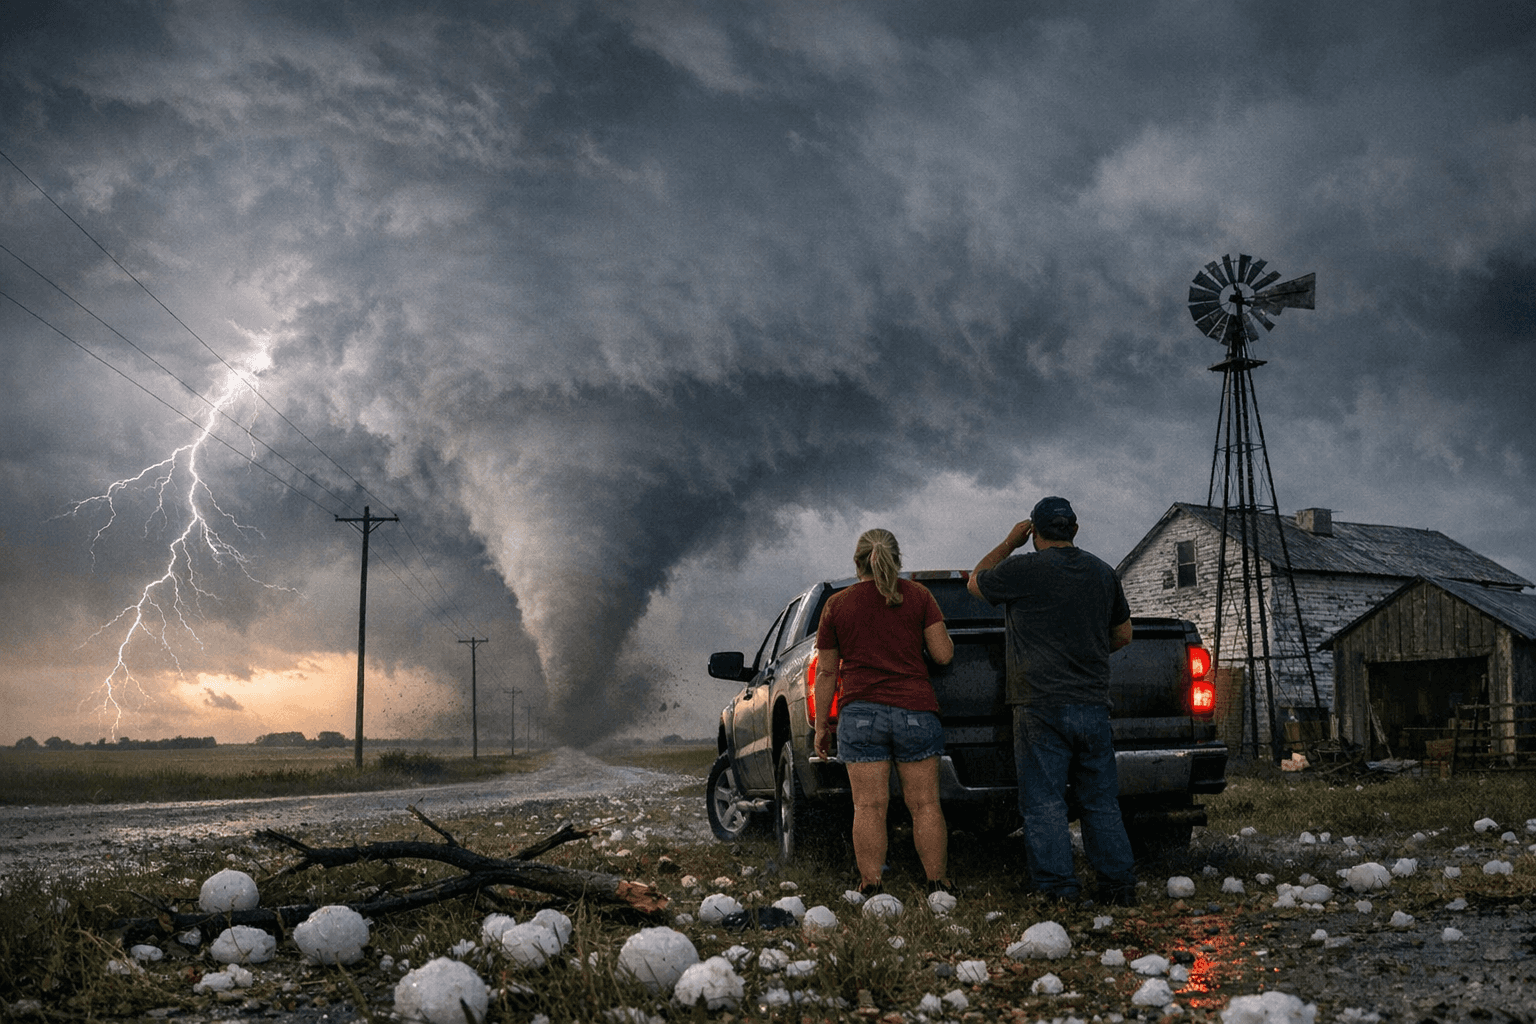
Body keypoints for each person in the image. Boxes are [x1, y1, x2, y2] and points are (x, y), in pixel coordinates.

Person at [966, 496, 1138, 906]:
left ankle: (1058, 890)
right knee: (1099, 800)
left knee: (1044, 802)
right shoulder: (1103, 572)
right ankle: (1118, 888)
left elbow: (976, 582)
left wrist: (1010, 542)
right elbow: (1124, 635)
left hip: (1039, 705)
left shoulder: (1023, 569)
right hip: (1093, 703)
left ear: (1034, 534)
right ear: (1074, 530)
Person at [814, 528, 956, 896]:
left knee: (868, 807)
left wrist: (820, 727)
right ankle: (937, 886)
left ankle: (872, 887)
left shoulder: (837, 606)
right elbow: (942, 655)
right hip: (916, 712)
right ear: (898, 559)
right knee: (925, 804)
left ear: (857, 562)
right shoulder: (920, 597)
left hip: (860, 716)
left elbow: (827, 671)